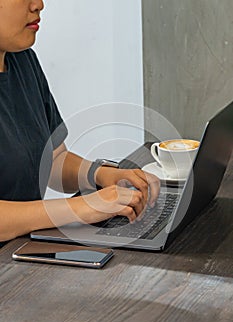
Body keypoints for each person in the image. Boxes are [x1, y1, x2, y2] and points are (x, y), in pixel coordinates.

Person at [0, 0, 160, 244]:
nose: (39, 4)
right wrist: (81, 207)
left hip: (22, 255)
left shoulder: (23, 62)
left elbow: (53, 160)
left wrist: (101, 175)